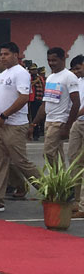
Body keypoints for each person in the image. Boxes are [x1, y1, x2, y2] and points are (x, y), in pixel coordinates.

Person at [0, 42, 42, 212]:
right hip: (0, 124)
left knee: (20, 161)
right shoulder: (3, 75)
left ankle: (50, 189)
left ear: (15, 55)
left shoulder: (20, 73)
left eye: (6, 54)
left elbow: (24, 97)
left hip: (14, 125)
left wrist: (5, 115)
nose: (3, 57)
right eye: (1, 55)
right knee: (0, 160)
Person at [31, 47, 80, 167]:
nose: (51, 63)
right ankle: (60, 178)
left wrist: (68, 126)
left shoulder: (69, 77)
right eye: (49, 60)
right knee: (57, 153)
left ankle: (56, 175)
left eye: (54, 60)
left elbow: (76, 103)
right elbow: (45, 103)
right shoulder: (50, 78)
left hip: (60, 121)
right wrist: (34, 123)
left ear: (63, 59)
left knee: (48, 153)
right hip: (49, 120)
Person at [68, 55, 84, 218]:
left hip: (78, 119)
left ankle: (83, 206)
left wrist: (72, 116)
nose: (76, 72)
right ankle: (77, 201)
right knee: (74, 161)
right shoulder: (78, 82)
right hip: (78, 123)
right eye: (74, 70)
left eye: (78, 68)